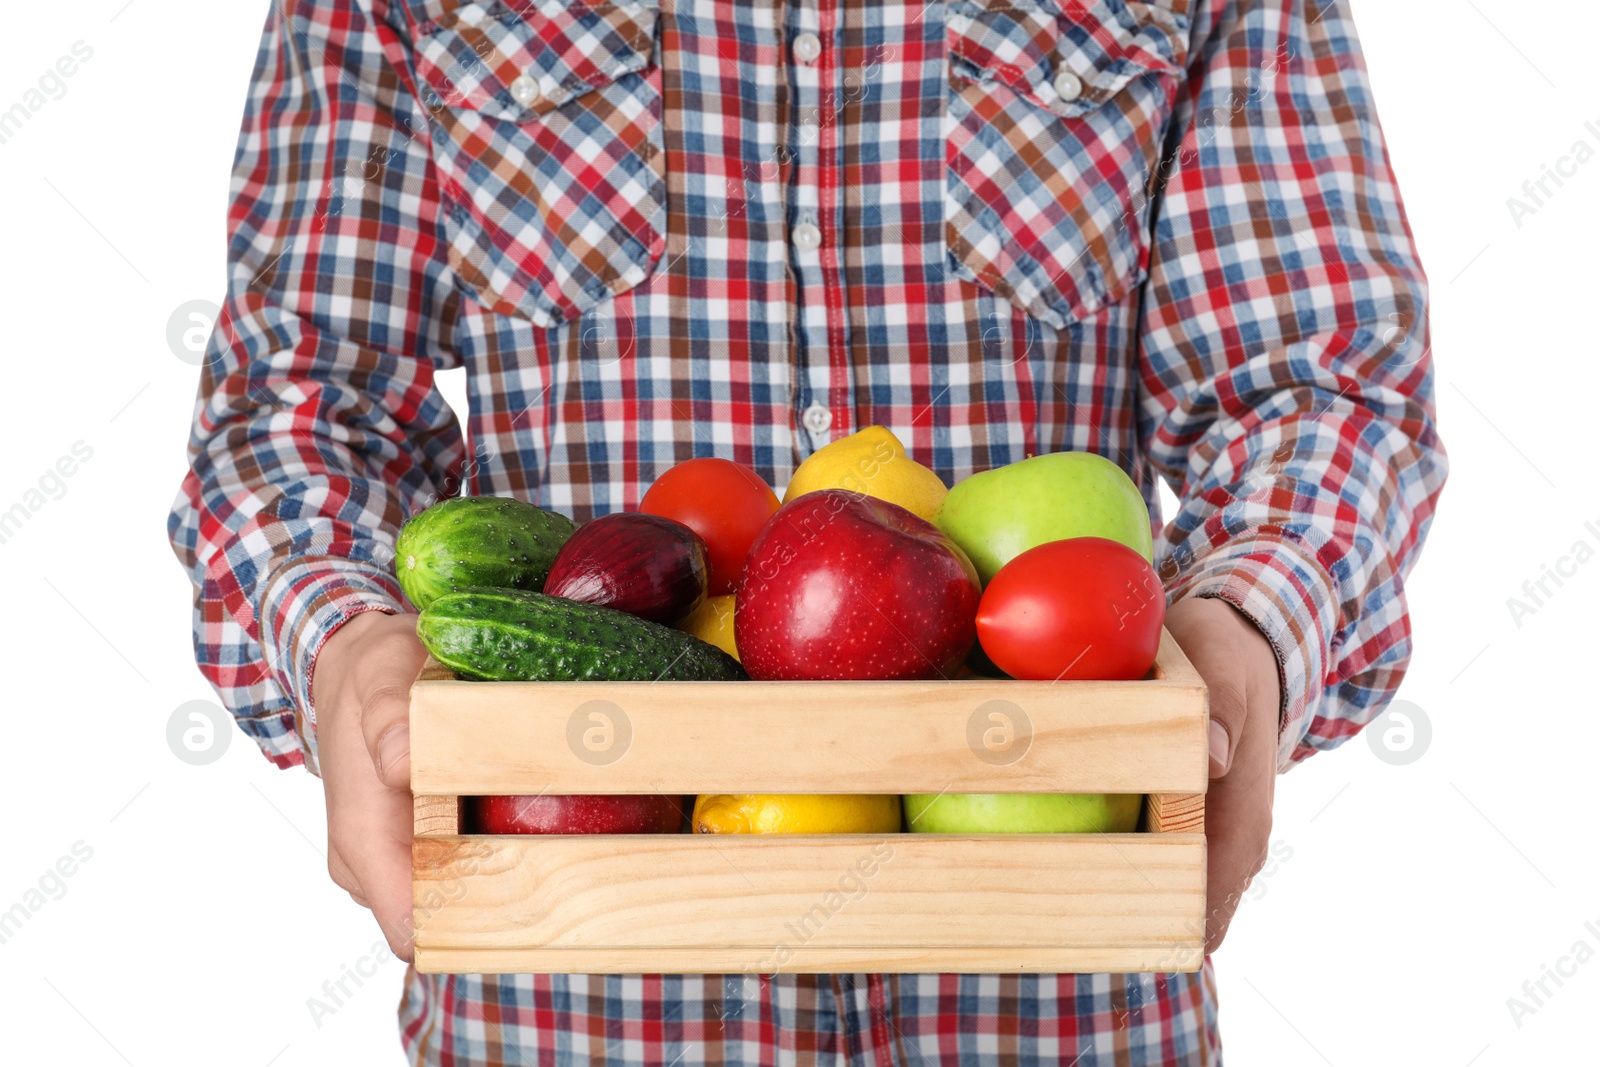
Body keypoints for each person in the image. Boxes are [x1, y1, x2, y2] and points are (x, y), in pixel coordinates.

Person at [168, 0, 1447, 1061]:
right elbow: (300, 402)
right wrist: (341, 642)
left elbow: (1318, 384)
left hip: (1054, 999)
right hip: (568, 1001)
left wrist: (1248, 625)